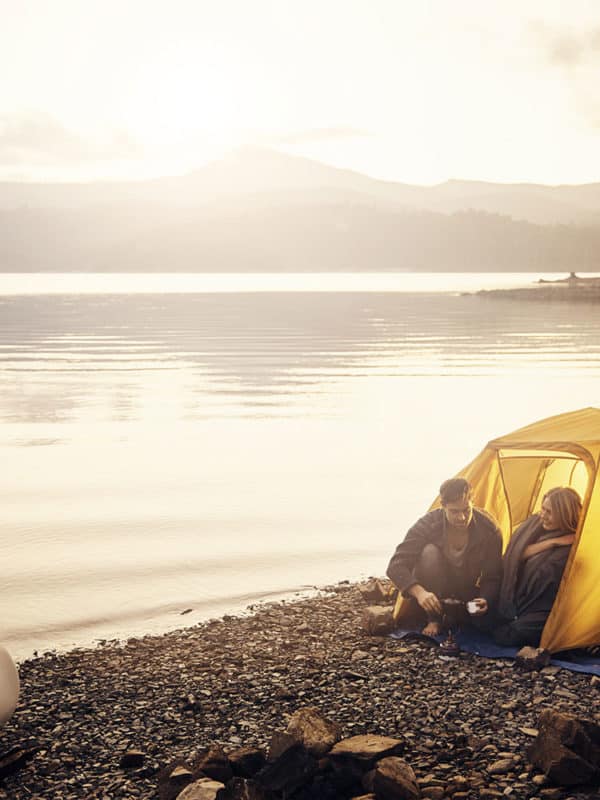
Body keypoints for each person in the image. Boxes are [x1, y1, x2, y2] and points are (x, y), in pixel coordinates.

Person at [386, 477, 503, 636]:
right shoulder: (427, 524)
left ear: (472, 503)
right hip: (432, 594)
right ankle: (434, 619)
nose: (461, 518)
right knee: (429, 553)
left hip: (465, 594)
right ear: (443, 506)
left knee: (488, 625)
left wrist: (485, 599)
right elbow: (395, 566)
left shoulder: (489, 529)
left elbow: (493, 575)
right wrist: (420, 593)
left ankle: (458, 616)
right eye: (454, 511)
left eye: (466, 510)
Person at [494, 486, 581, 647]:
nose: (543, 516)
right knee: (476, 612)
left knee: (514, 632)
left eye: (550, 512)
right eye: (543, 509)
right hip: (517, 597)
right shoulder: (535, 525)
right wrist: (552, 542)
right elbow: (517, 554)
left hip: (546, 605)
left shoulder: (578, 542)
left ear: (564, 515)